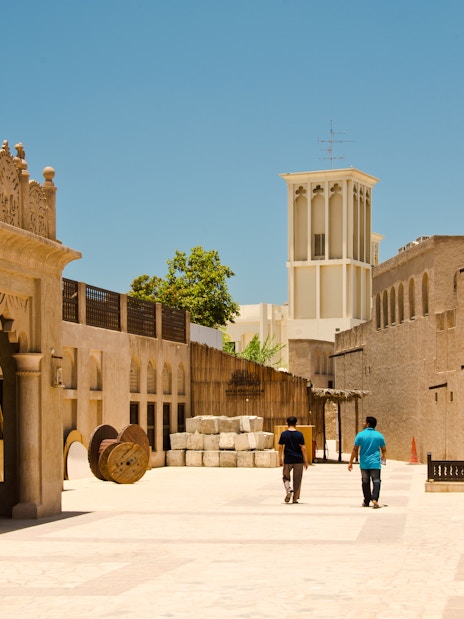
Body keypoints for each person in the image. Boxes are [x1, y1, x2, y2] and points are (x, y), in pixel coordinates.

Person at [348, 416, 387, 508]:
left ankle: (366, 501)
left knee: (365, 481)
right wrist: (383, 457)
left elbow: (355, 449)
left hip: (364, 463)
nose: (363, 423)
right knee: (376, 480)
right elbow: (384, 449)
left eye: (364, 422)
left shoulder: (360, 435)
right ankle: (375, 499)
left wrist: (350, 462)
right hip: (375, 463)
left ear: (368, 424)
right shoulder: (379, 435)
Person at [278, 416, 309, 504]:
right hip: (298, 459)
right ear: (296, 423)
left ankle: (288, 490)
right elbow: (303, 448)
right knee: (297, 479)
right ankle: (295, 498)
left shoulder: (284, 434)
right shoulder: (299, 434)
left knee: (285, 477)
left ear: (287, 423)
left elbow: (280, 447)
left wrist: (280, 459)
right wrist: (306, 461)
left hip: (288, 459)